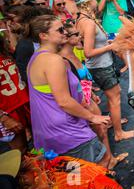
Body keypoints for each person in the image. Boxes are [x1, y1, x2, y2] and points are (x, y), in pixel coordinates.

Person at [26, 15, 113, 166]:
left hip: (52, 128)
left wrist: (84, 95)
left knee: (76, 176)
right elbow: (64, 101)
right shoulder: (53, 60)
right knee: (98, 166)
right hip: (66, 129)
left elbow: (53, 93)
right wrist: (92, 117)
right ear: (43, 35)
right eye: (60, 30)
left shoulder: (35, 59)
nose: (65, 33)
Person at [59, 22, 128, 169]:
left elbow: (81, 79)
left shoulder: (72, 54)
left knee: (101, 131)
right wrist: (85, 99)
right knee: (99, 131)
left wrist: (89, 92)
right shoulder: (62, 60)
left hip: (87, 98)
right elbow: (67, 88)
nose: (80, 36)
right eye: (76, 34)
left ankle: (110, 160)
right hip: (81, 104)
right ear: (65, 38)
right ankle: (104, 166)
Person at [74, 0, 134, 142]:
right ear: (87, 2)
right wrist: (110, 47)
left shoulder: (81, 20)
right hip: (100, 67)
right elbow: (88, 52)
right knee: (115, 98)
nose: (97, 1)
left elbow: (80, 45)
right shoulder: (88, 23)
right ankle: (118, 133)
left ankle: (113, 121)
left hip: (98, 65)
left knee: (113, 95)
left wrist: (105, 44)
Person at [0, 35, 30, 154]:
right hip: (8, 112)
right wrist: (3, 118)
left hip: (24, 104)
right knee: (18, 153)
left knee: (30, 148)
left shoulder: (5, 51)